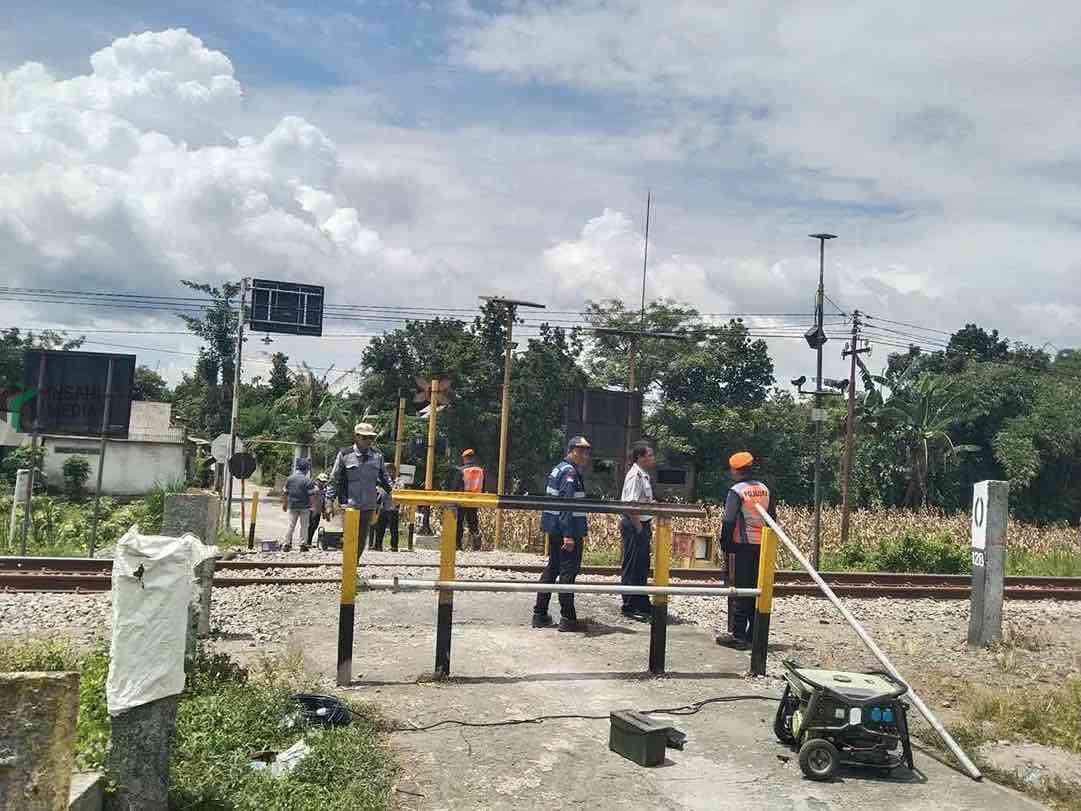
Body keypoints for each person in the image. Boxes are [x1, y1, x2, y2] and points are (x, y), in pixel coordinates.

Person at [716, 451, 776, 650]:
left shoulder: (737, 491)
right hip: (763, 547)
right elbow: (772, 518)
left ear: (735, 470)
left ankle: (738, 636)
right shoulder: (765, 489)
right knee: (757, 590)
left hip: (741, 546)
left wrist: (724, 544)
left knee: (740, 590)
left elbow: (729, 519)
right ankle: (754, 635)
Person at [532, 436, 591, 632]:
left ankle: (540, 614)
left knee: (553, 569)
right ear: (572, 451)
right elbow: (566, 505)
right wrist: (568, 535)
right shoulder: (569, 473)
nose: (585, 455)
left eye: (586, 451)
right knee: (568, 572)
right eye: (581, 451)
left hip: (556, 529)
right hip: (568, 531)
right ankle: (568, 618)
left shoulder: (559, 468)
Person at [326, 422, 392, 560]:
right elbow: (334, 479)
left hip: (368, 505)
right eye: (365, 438)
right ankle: (347, 571)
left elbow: (385, 480)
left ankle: (353, 568)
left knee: (362, 540)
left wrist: (391, 496)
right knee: (350, 538)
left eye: (371, 438)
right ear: (356, 437)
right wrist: (329, 502)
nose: (368, 441)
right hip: (349, 505)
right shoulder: (345, 454)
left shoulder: (377, 456)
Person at [619, 442, 656, 621]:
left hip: (642, 524)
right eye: (650, 455)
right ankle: (629, 605)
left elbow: (641, 500)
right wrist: (639, 528)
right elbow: (630, 504)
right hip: (634, 525)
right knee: (633, 564)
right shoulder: (635, 475)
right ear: (640, 457)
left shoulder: (644, 475)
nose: (652, 458)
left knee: (642, 565)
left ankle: (641, 602)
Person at [446, 449, 485, 550]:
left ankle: (458, 545)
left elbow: (456, 486)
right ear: (474, 458)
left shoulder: (461, 470)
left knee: (459, 523)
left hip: (462, 500)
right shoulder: (481, 471)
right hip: (475, 500)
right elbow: (483, 486)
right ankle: (476, 541)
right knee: (473, 521)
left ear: (464, 458)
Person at [282, 457, 317, 552]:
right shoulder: (308, 481)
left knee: (290, 525)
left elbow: (285, 492)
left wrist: (284, 504)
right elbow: (311, 496)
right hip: (304, 507)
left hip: (292, 506)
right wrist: (313, 507)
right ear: (306, 469)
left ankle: (287, 544)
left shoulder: (290, 479)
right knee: (304, 526)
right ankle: (302, 544)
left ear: (298, 468)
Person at [372, 463, 402, 551]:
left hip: (393, 508)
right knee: (380, 527)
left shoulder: (399, 482)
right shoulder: (384, 481)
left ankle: (394, 546)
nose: (388, 473)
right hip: (383, 507)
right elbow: (380, 492)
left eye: (390, 470)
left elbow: (397, 492)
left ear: (394, 471)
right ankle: (377, 545)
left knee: (393, 529)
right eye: (387, 471)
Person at [306, 472, 328, 550]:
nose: (323, 483)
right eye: (321, 481)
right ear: (318, 480)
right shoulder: (314, 489)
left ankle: (309, 542)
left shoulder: (324, 490)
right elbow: (309, 499)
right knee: (310, 527)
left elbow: (322, 502)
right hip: (312, 510)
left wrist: (324, 512)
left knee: (314, 527)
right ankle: (307, 542)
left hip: (318, 511)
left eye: (324, 481)